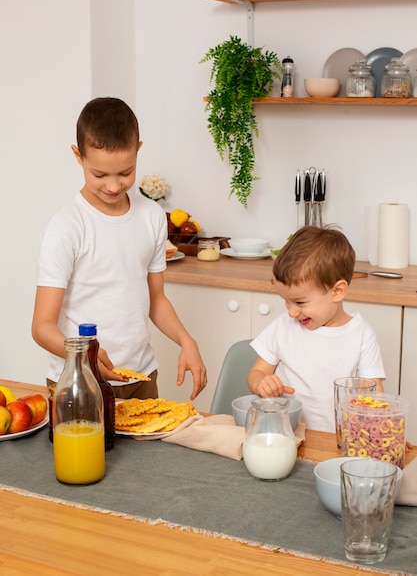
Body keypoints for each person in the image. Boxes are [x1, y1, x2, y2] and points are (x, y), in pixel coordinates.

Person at [32, 97, 207, 401]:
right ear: (78, 156)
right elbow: (42, 326)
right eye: (99, 174)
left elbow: (156, 299)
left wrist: (186, 341)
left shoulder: (151, 216)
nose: (113, 186)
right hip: (79, 381)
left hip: (141, 377)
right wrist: (84, 357)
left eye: (125, 173)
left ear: (138, 150)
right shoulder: (66, 228)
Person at [247, 225, 385, 432]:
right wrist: (261, 383)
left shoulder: (361, 335)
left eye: (300, 303)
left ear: (337, 291)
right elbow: (256, 373)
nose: (292, 312)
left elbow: (374, 398)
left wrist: (385, 428)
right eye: (285, 301)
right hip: (285, 435)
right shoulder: (282, 327)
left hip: (335, 441)